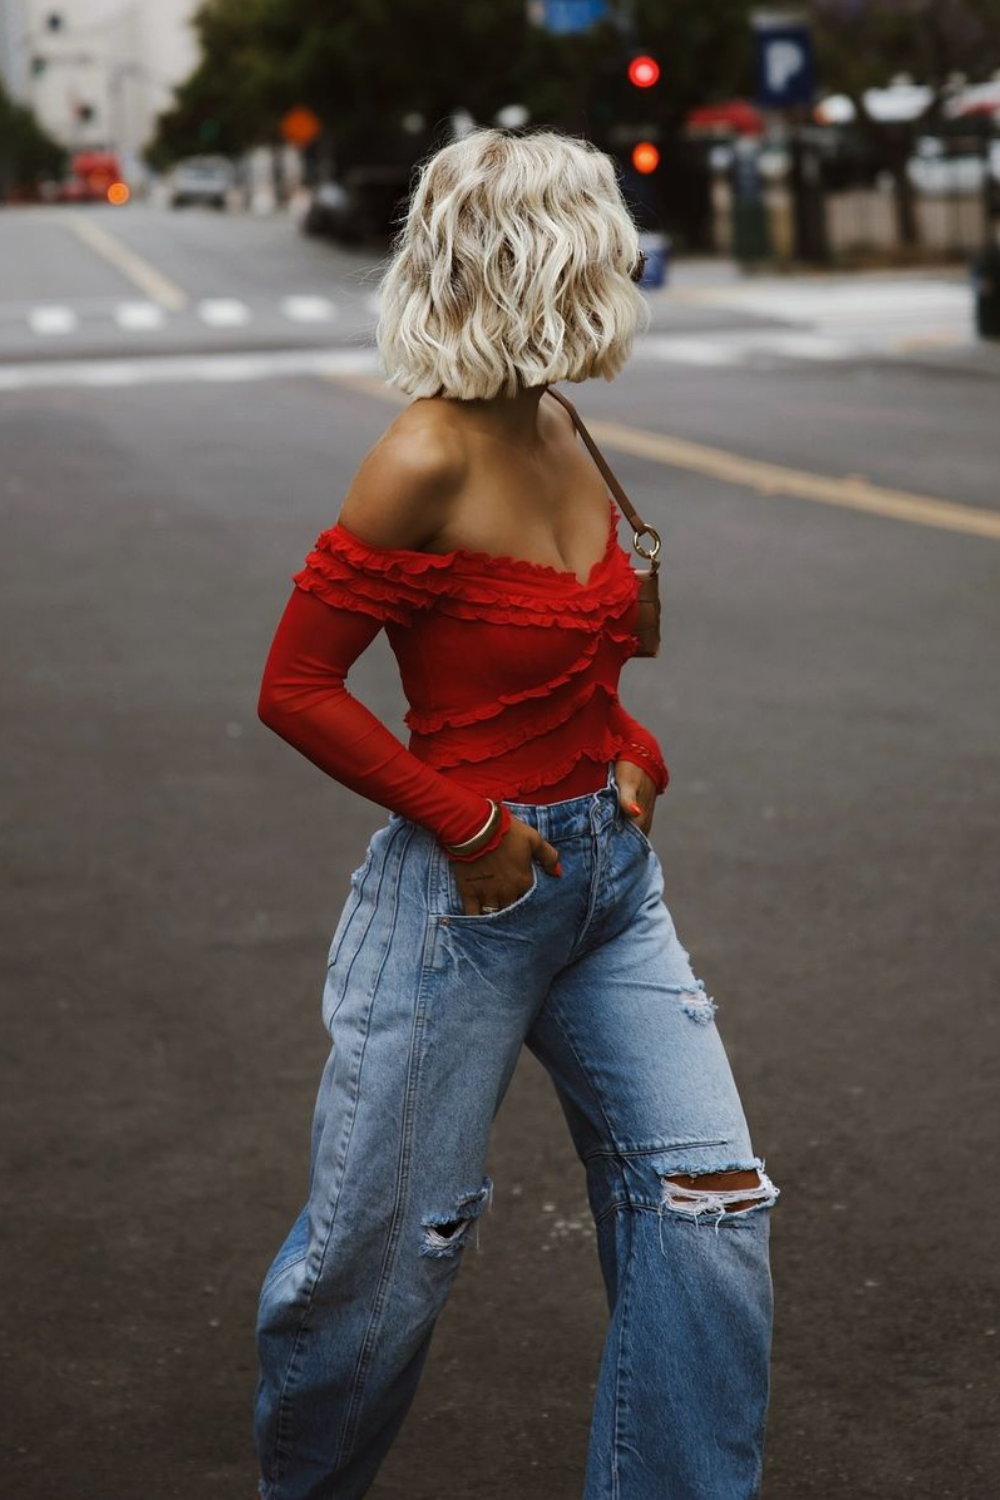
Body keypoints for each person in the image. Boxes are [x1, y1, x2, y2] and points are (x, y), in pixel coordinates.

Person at [253, 126, 779, 1500]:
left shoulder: (565, 422)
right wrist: (470, 828)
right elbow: (296, 687)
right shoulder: (421, 454)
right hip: (459, 908)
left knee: (708, 1216)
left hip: (607, 889)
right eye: (605, 235)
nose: (626, 257)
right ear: (548, 258)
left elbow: (591, 672)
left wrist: (638, 756)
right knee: (374, 1280)